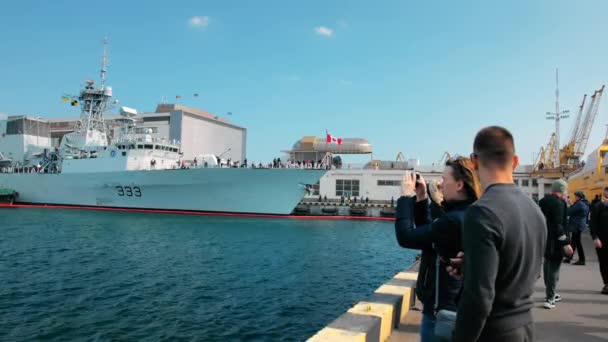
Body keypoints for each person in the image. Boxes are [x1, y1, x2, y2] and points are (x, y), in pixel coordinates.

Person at [448, 126, 547, 342]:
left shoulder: (481, 212)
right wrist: (474, 265)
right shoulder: (535, 210)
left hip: (493, 332)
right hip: (525, 327)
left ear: (474, 161)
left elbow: (479, 298)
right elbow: (530, 271)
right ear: (515, 161)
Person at [395, 157, 480, 342]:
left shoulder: (453, 220)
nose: (441, 183)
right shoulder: (471, 213)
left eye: (444, 179)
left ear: (459, 184)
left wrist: (404, 197)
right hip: (458, 306)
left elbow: (406, 237)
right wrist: (421, 198)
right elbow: (430, 234)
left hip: (442, 312)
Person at [539, 179, 574, 309]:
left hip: (545, 238)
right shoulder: (560, 204)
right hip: (556, 240)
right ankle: (550, 298)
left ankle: (550, 293)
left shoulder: (543, 201)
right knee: (554, 268)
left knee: (548, 265)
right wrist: (565, 242)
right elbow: (558, 224)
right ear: (562, 190)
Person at [589, 186, 608, 294]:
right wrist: (595, 237)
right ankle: (606, 283)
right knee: (604, 262)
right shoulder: (598, 206)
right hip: (602, 240)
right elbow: (593, 224)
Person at [565, 191, 589, 265]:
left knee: (577, 243)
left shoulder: (579, 204)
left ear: (579, 197)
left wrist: (569, 204)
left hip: (577, 225)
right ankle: (569, 257)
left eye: (575, 196)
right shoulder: (584, 203)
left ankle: (582, 259)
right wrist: (571, 204)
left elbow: (569, 211)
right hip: (579, 225)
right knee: (574, 242)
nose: (575, 197)